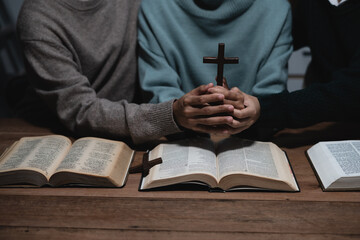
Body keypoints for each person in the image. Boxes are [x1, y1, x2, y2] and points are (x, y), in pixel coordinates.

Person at [13, 0, 239, 145]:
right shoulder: (38, 18)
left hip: (136, 121)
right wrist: (170, 115)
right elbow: (80, 111)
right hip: (65, 133)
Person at [212, 0, 360, 132]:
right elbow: (275, 42)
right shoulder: (312, 4)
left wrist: (265, 108)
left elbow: (353, 89)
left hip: (345, 120)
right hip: (319, 125)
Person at [138, 0, 293, 105]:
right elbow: (158, 94)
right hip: (178, 139)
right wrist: (180, 112)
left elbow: (272, 97)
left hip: (254, 138)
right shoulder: (155, 7)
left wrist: (251, 109)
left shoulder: (276, 8)